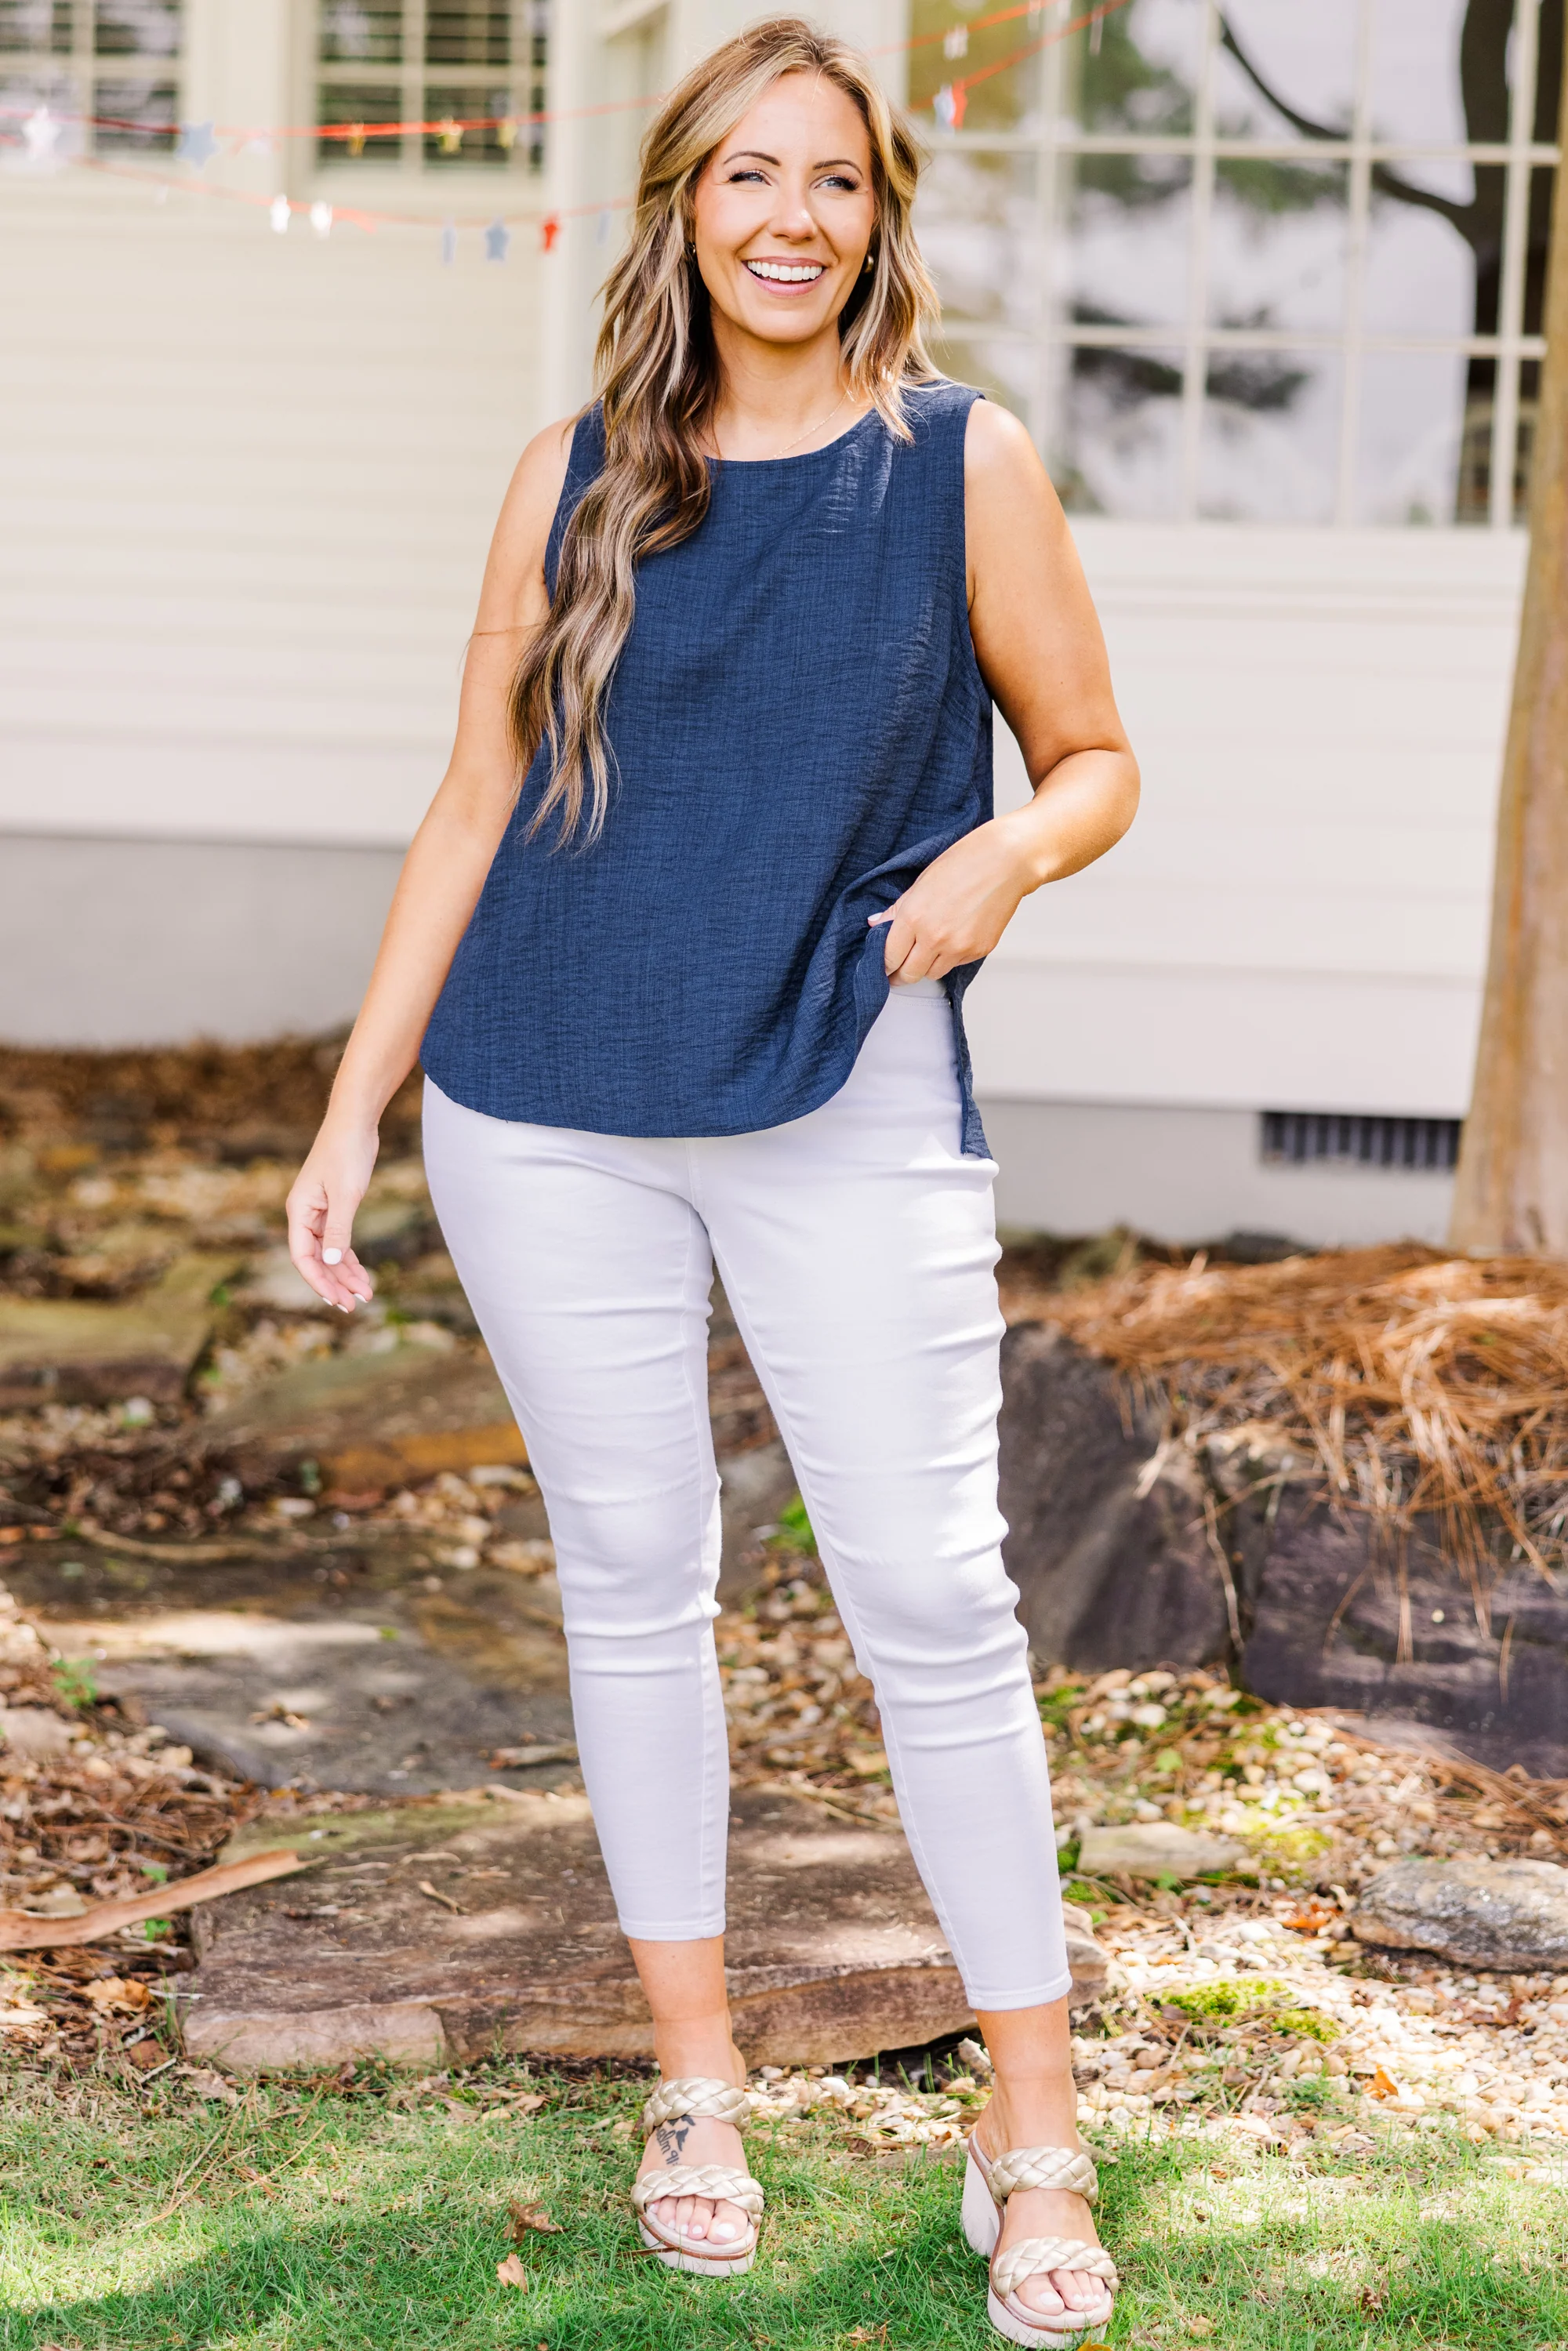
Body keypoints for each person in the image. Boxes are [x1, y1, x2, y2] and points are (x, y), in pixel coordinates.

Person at [286, 17, 1138, 2343]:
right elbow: (475, 797)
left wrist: (1002, 858)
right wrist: (357, 1103)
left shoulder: (959, 465)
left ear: (880, 221)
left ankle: (1033, 2122)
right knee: (636, 1581)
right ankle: (696, 2081)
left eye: (834, 181)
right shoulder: (570, 473)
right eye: (748, 175)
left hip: (850, 1083)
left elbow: (1094, 757)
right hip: (542, 1096)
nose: (791, 218)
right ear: (681, 205)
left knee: (935, 1593)